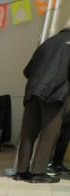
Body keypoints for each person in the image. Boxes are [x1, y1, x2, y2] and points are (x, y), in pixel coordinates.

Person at [16, 22, 70, 183]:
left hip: (33, 91)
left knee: (28, 133)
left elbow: (27, 71)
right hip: (54, 93)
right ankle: (38, 172)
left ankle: (21, 171)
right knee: (49, 133)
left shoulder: (47, 42)